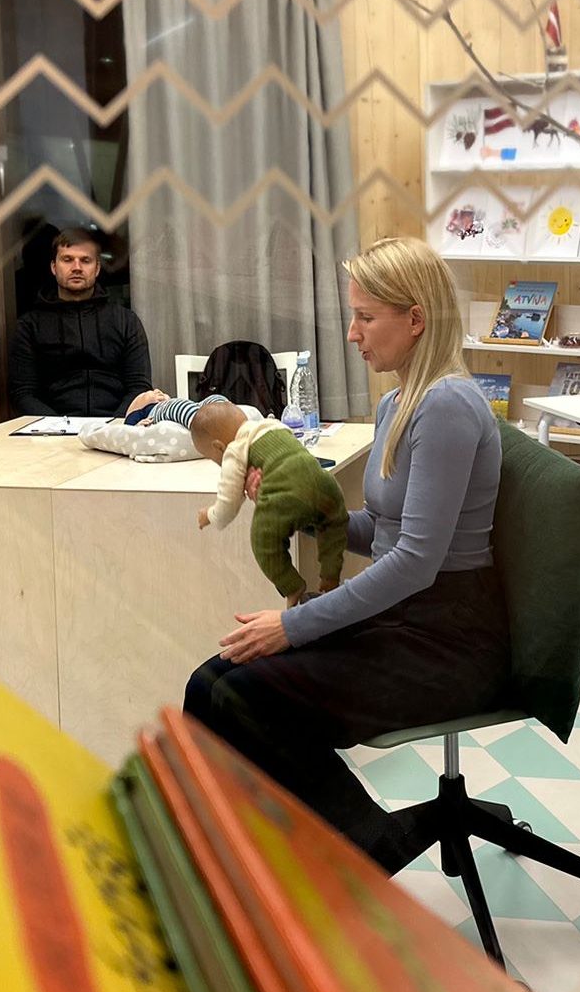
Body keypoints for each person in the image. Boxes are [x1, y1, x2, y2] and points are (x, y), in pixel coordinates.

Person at [183, 237, 507, 871]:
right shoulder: (398, 403)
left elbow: (414, 561)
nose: (352, 333)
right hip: (409, 619)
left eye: (365, 317)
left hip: (449, 639)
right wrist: (300, 509)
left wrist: (292, 625)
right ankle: (264, 858)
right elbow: (382, 531)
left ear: (416, 319)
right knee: (210, 684)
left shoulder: (445, 406)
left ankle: (359, 848)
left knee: (241, 696)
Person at [188, 399, 347, 605]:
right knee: (334, 525)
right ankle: (330, 575)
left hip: (286, 493)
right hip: (325, 483)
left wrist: (208, 515)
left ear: (218, 447)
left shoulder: (234, 450)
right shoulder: (273, 425)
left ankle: (292, 585)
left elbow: (228, 505)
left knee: (263, 541)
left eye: (212, 458)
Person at [7, 228, 154, 418]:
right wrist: (58, 427)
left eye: (85, 260)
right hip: (50, 429)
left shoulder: (126, 321)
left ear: (97, 268)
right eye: (67, 259)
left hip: (117, 425)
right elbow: (22, 393)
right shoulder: (29, 326)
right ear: (54, 267)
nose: (76, 267)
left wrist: (114, 425)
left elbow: (139, 386)